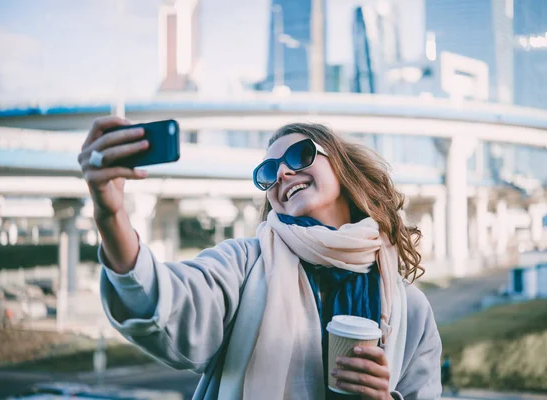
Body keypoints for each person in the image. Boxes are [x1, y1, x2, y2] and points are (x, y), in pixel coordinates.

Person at [78, 118, 443, 400]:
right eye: (268, 174)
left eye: (300, 155)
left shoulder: (410, 309)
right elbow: (167, 301)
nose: (282, 173)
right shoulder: (246, 265)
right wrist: (110, 216)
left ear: (342, 168)